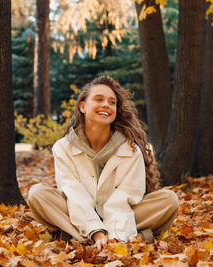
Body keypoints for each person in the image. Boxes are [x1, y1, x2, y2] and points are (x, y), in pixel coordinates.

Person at [28, 75, 179, 249]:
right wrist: (96, 231)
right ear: (82, 106)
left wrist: (115, 239)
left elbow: (123, 199)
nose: (106, 105)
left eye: (112, 102)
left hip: (124, 214)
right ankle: (114, 237)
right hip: (77, 212)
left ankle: (77, 237)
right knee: (38, 193)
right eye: (98, 99)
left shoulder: (130, 149)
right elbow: (74, 193)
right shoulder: (63, 147)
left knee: (169, 200)